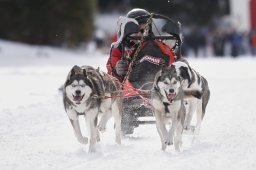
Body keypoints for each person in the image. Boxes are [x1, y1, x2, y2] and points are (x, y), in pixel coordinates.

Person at [106, 8, 177, 82]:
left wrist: (178, 63)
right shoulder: (120, 48)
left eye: (143, 31)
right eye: (135, 30)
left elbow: (172, 60)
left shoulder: (158, 46)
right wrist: (116, 72)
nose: (139, 34)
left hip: (155, 84)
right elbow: (110, 74)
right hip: (129, 88)